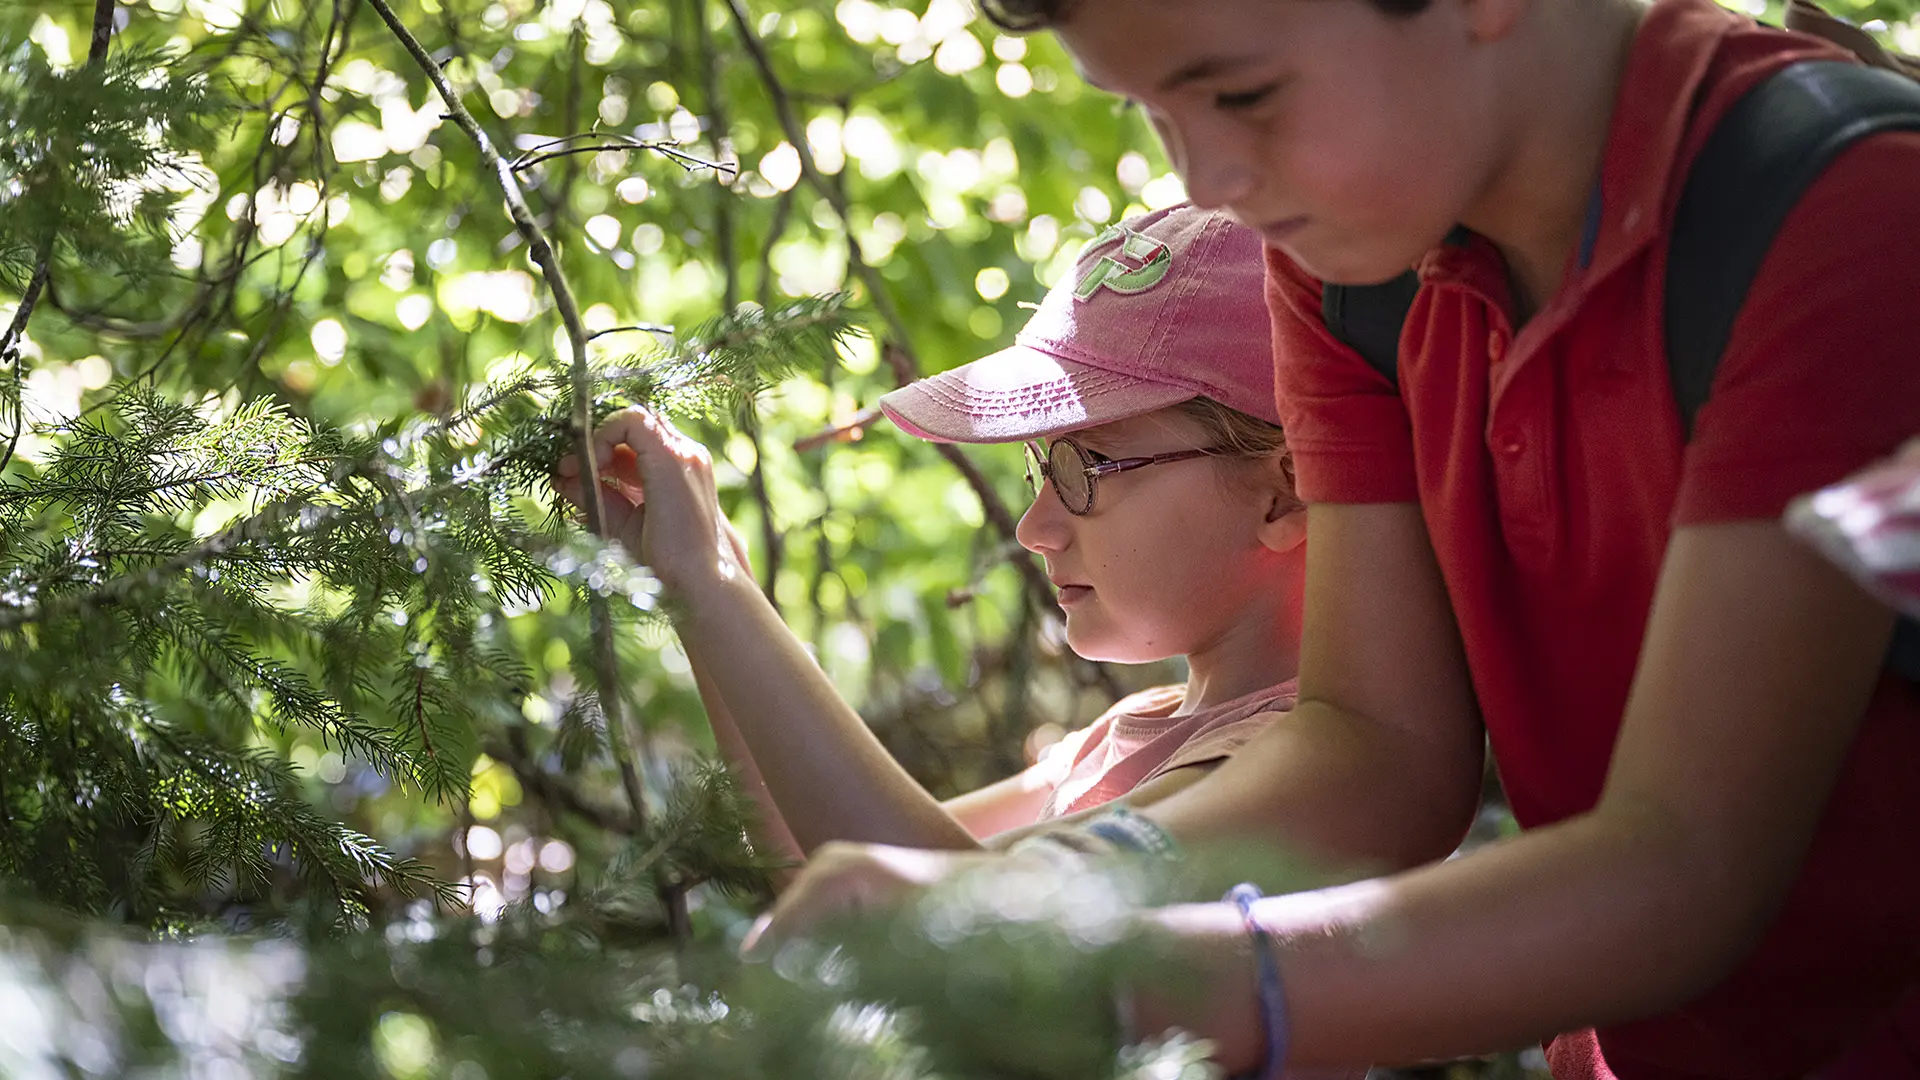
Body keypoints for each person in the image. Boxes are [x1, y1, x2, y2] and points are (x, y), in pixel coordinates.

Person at [751, 0, 1920, 1077]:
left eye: (1241, 94)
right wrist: (1064, 884)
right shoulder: (1347, 270)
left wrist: (1131, 982)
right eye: (1155, 112)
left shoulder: (1838, 211)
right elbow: (1378, 743)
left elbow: (1687, 863)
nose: (1207, 177)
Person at [556, 204, 1314, 865]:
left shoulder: (1290, 768)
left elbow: (935, 911)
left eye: (1087, 468)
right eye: (1039, 467)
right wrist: (706, 576)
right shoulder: (1131, 732)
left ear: (1283, 494)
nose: (1035, 528)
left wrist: (716, 585)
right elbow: (835, 865)